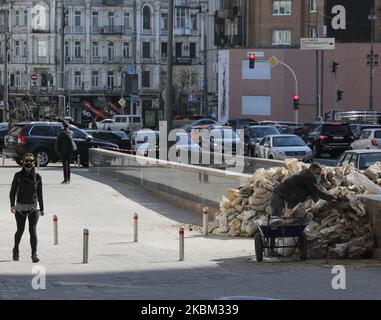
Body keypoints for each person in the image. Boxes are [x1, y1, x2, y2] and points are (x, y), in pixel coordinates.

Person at [9, 153, 44, 263]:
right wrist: (12, 205)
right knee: (20, 230)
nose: (29, 163)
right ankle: (15, 250)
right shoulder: (18, 175)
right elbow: (12, 192)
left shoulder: (37, 177)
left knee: (32, 230)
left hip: (34, 206)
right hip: (20, 207)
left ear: (34, 162)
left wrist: (42, 208)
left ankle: (34, 254)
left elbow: (40, 193)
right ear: (23, 162)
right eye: (27, 161)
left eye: (31, 161)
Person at [269, 163, 336, 217]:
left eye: (319, 174)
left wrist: (317, 205)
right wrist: (331, 198)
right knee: (275, 220)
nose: (318, 175)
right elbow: (317, 192)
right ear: (311, 169)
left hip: (282, 196)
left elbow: (311, 193)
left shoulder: (306, 175)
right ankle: (271, 233)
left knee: (281, 218)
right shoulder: (307, 177)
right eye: (317, 173)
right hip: (278, 196)